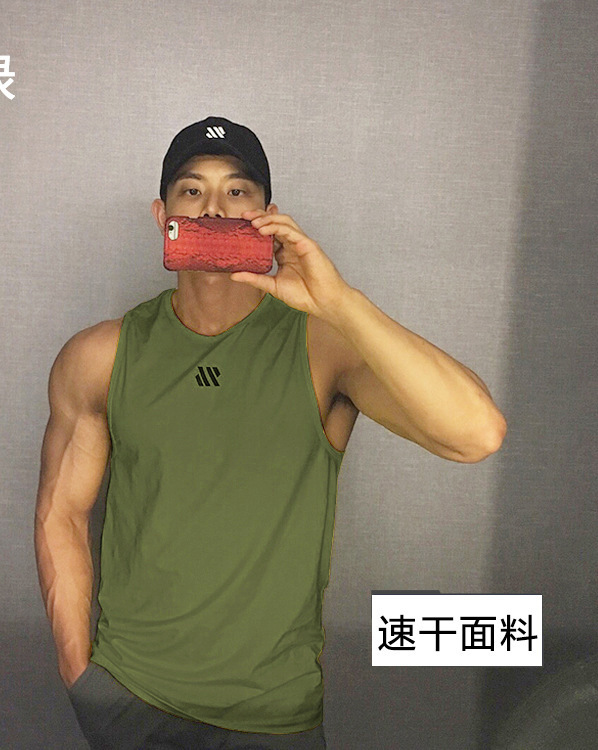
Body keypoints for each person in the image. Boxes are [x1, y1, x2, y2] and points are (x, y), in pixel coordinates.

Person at [34, 116, 507, 749]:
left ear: (268, 217)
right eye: (192, 190)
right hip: (131, 698)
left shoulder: (324, 347)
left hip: (272, 716)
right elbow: (61, 513)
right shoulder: (100, 356)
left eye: (237, 191)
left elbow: (476, 433)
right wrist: (82, 677)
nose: (213, 208)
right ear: (162, 215)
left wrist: (339, 301)